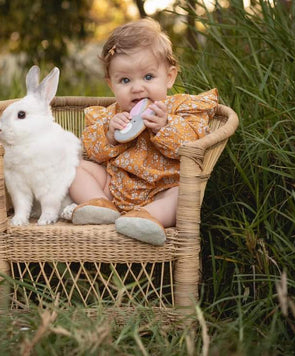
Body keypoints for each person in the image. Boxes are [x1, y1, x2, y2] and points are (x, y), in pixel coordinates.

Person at [69, 18, 218, 246]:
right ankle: (98, 205)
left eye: (148, 77)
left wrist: (165, 126)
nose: (137, 87)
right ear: (111, 84)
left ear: (169, 77)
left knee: (184, 194)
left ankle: (147, 218)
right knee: (73, 167)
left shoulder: (181, 108)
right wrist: (109, 134)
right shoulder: (110, 115)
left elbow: (194, 142)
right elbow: (92, 151)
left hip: (161, 189)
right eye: (125, 80)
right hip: (116, 186)